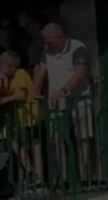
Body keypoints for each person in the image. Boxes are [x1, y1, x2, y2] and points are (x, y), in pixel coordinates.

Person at [32, 22, 94, 184]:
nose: (46, 44)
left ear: (59, 37)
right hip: (56, 103)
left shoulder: (77, 47)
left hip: (79, 100)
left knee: (83, 139)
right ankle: (65, 179)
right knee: (57, 140)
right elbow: (41, 71)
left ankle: (84, 178)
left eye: (49, 41)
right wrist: (33, 92)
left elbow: (80, 72)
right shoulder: (47, 51)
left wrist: (64, 90)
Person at [0, 51, 42, 187]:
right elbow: (4, 93)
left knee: (25, 145)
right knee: (14, 145)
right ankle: (28, 174)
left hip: (28, 118)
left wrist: (3, 100)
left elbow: (21, 95)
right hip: (15, 120)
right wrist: (2, 83)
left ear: (11, 67)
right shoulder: (8, 78)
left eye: (2, 66)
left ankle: (34, 175)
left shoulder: (21, 74)